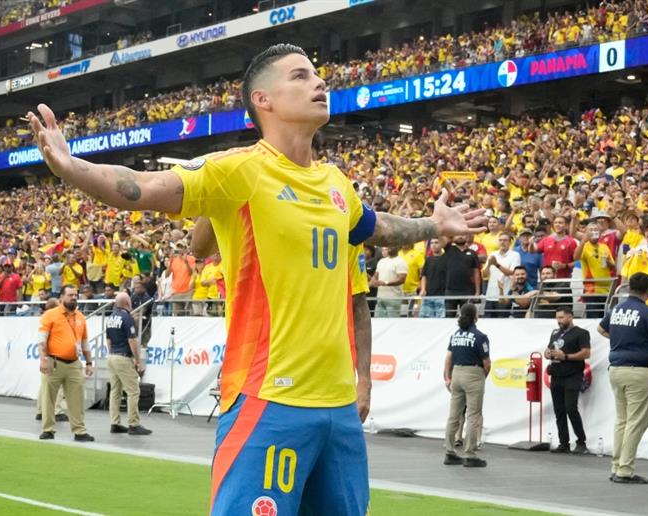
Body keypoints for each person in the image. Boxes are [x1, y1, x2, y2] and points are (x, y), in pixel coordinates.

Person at [26, 43, 485, 514]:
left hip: (339, 409)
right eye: (300, 76)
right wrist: (71, 166)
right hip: (268, 399)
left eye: (317, 73)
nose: (319, 82)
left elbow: (379, 228)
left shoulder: (336, 183)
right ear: (263, 100)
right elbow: (142, 186)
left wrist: (435, 225)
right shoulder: (241, 169)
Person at [597, 272, 648, 484]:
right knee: (636, 422)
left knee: (622, 420)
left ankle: (617, 465)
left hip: (617, 369)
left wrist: (621, 339)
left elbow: (601, 328)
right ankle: (625, 469)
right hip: (640, 371)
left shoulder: (617, 309)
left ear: (629, 288)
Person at [37, 286, 94, 442]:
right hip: (54, 361)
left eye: (76, 295)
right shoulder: (51, 315)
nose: (74, 297)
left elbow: (85, 342)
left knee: (77, 398)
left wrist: (89, 362)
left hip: (74, 362)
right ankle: (48, 429)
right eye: (70, 295)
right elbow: (41, 340)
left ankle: (79, 431)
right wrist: (43, 359)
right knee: (49, 397)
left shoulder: (80, 317)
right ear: (62, 297)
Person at [441, 304, 490, 468]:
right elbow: (487, 363)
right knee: (473, 415)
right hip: (473, 373)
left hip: (456, 372)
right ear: (476, 317)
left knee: (453, 415)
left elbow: (448, 358)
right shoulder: (480, 336)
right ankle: (470, 454)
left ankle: (449, 452)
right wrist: (482, 376)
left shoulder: (456, 335)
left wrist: (447, 377)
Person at [544, 307, 591, 454]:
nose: (559, 321)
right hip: (556, 374)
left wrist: (566, 357)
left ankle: (581, 442)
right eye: (557, 318)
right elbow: (549, 349)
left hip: (572, 375)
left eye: (561, 317)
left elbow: (586, 353)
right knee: (559, 410)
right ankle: (563, 443)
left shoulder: (581, 333)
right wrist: (547, 353)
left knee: (571, 408)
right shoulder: (555, 333)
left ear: (570, 317)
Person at [106, 293, 152, 436]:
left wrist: (111, 352)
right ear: (127, 303)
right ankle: (134, 424)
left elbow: (108, 339)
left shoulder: (111, 317)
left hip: (112, 355)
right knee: (133, 391)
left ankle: (115, 423)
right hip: (123, 357)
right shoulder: (127, 317)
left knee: (115, 391)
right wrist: (137, 359)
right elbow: (132, 340)